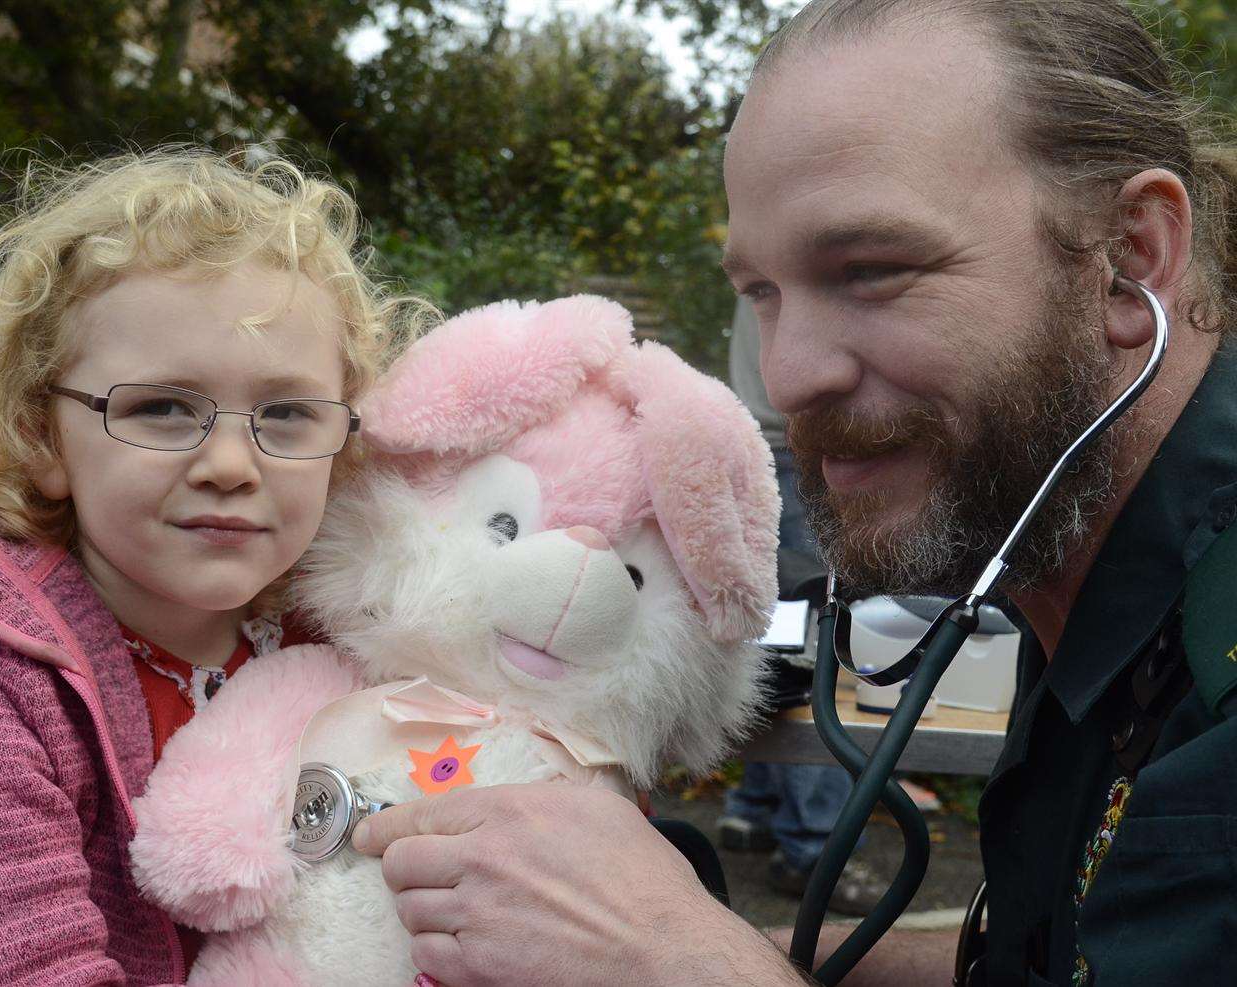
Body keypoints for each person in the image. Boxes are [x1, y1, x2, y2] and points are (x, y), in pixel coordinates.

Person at [352, 2, 1237, 985]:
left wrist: (658, 950)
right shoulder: (1073, 550)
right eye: (762, 293)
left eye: (870, 270)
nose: (786, 377)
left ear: (1130, 260)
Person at [0, 149, 422, 984]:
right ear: (42, 438)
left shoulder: (344, 635)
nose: (232, 463)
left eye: (289, 413)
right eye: (162, 407)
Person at [719, 299, 885, 917]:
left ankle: (753, 810)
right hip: (805, 450)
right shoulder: (825, 231)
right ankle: (816, 850)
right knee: (815, 646)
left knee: (775, 637)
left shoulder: (768, 237)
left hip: (763, 443)